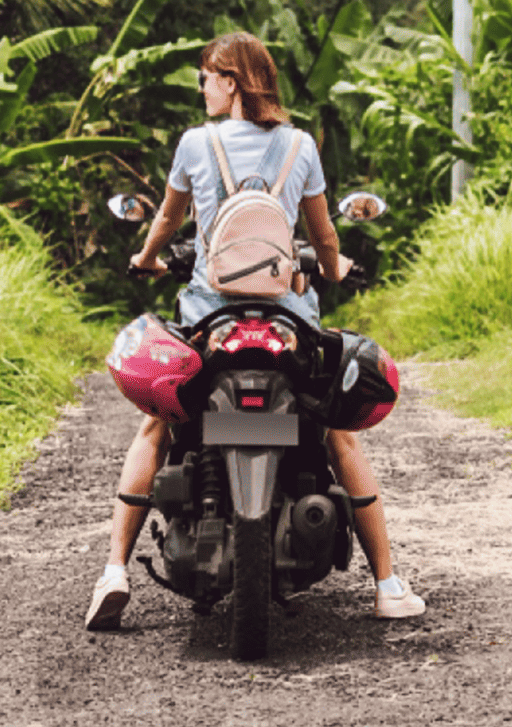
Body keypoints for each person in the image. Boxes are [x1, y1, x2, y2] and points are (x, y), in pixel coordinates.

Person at [85, 31, 426, 630]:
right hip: (287, 316)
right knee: (335, 432)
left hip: (207, 313)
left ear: (231, 80)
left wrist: (145, 258)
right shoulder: (301, 146)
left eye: (207, 79)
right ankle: (388, 584)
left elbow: (167, 218)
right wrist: (335, 266)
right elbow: (323, 237)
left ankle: (114, 571)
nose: (203, 89)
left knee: (158, 425)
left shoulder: (196, 143)